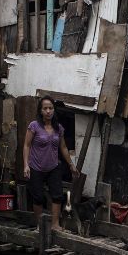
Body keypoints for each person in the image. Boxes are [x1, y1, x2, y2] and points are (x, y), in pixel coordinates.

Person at [23, 96, 79, 230]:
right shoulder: (34, 126)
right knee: (38, 197)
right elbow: (26, 145)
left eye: (50, 108)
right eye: (45, 108)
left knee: (57, 195)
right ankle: (40, 225)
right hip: (36, 166)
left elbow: (63, 147)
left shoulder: (58, 128)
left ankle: (55, 224)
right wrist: (26, 165)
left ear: (54, 110)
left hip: (53, 167)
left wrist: (71, 165)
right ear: (41, 111)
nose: (48, 111)